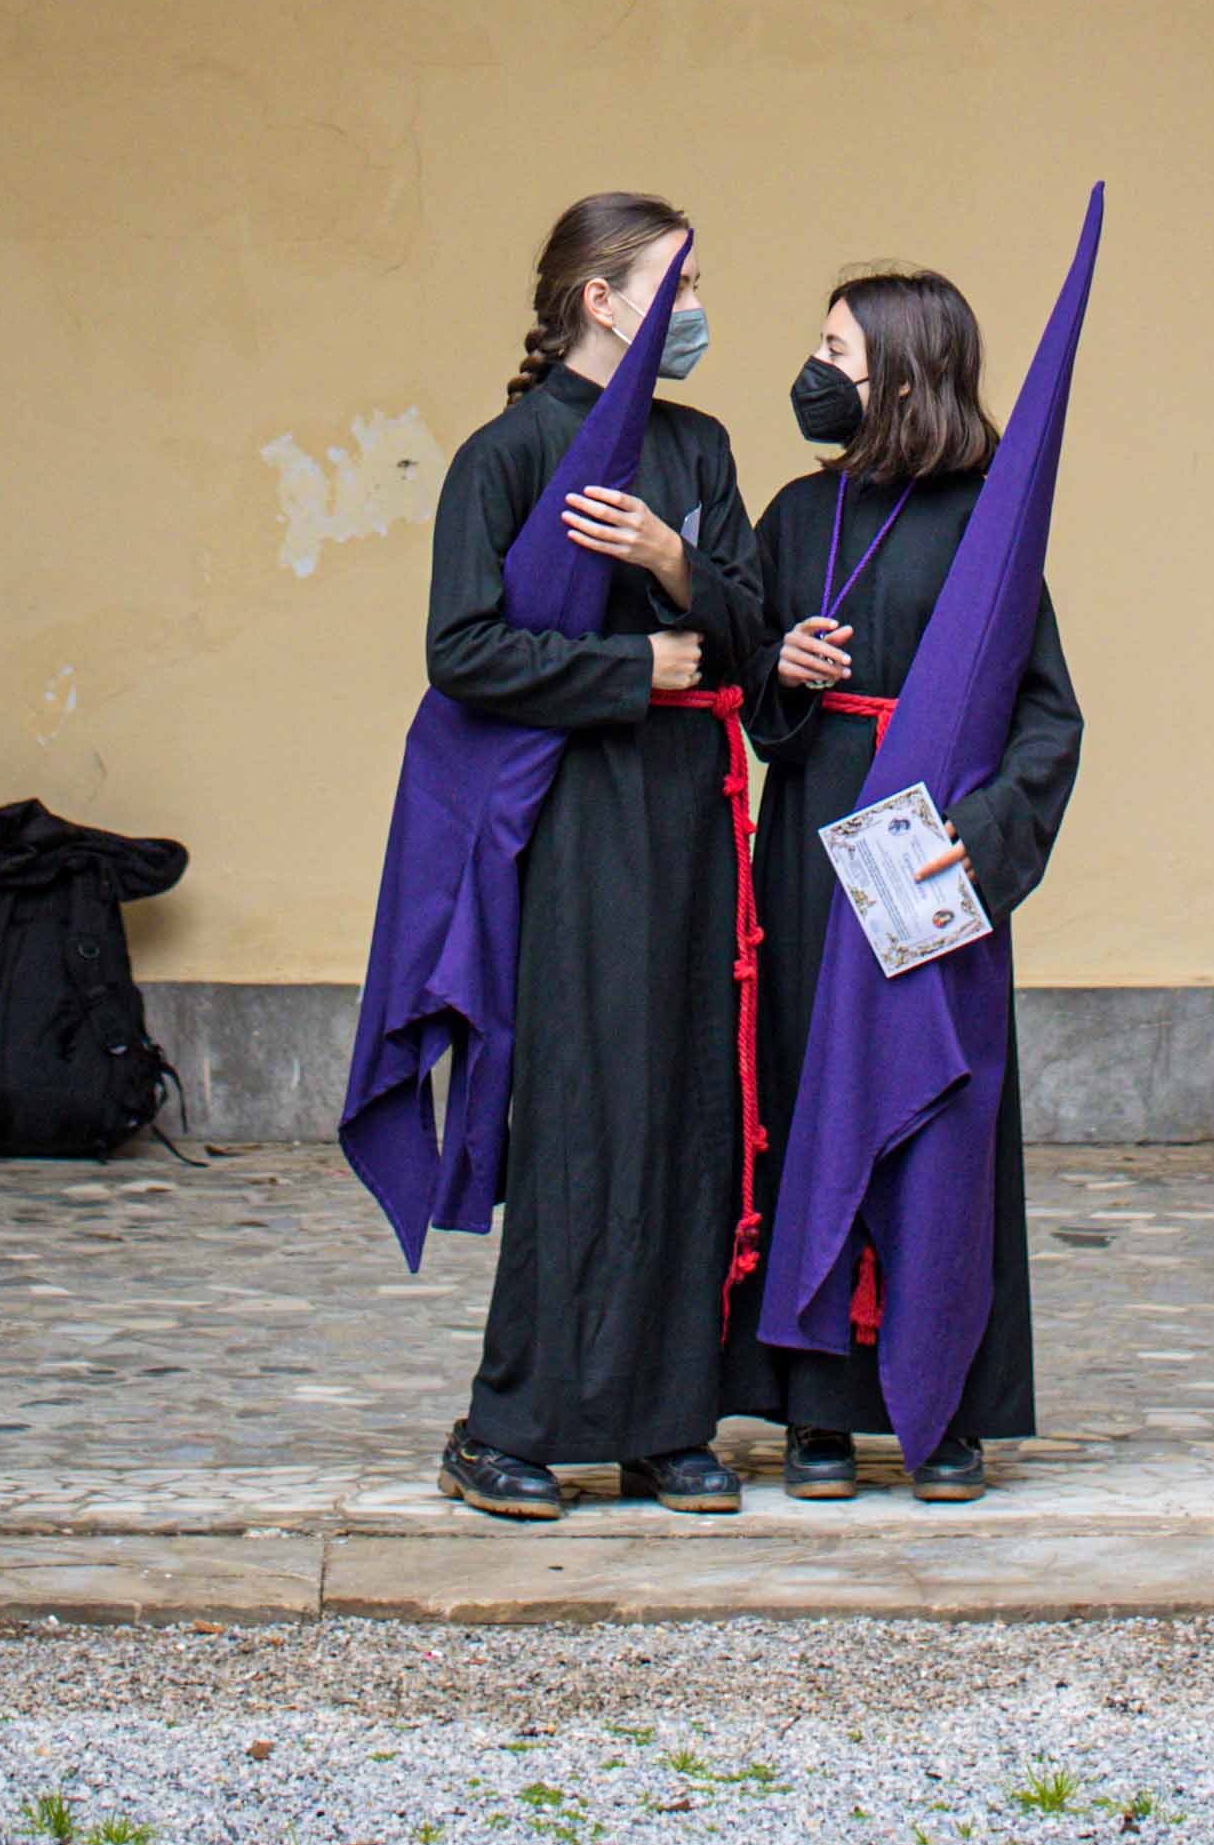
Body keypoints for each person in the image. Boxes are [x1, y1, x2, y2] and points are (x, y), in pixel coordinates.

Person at [427, 192, 769, 1521]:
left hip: (693, 810)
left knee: (689, 1097)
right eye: (674, 284)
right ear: (600, 299)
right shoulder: (504, 456)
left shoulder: (697, 447)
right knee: (580, 1104)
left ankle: (665, 1423)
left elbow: (749, 625)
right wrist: (628, 661)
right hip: (574, 817)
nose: (692, 311)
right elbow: (461, 651)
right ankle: (506, 1419)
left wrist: (675, 560)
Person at [727, 265, 1081, 1501]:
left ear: (902, 370)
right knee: (807, 1104)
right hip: (813, 843)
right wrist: (784, 669)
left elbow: (1048, 721)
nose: (815, 370)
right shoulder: (789, 513)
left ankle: (945, 1411)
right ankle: (815, 1410)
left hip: (929, 858)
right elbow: (747, 704)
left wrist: (980, 840)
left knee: (937, 1119)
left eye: (836, 347)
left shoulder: (991, 523)